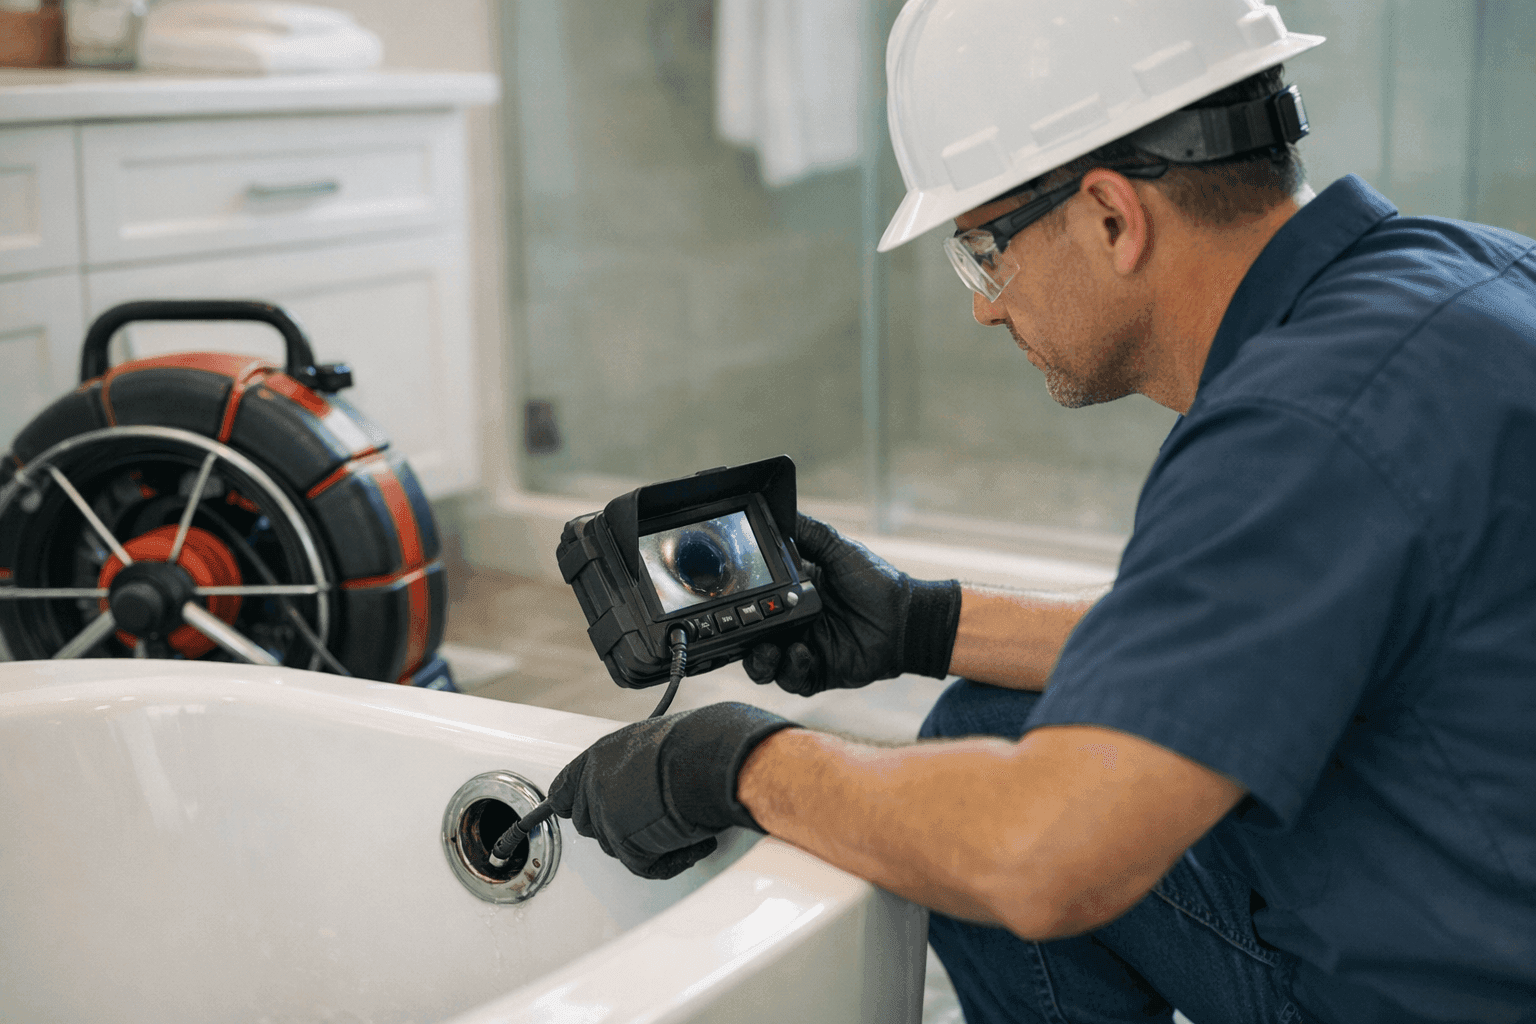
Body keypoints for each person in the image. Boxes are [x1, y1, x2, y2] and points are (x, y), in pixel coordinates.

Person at [545, 2, 1536, 1022]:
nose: (983, 302)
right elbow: (1248, 625)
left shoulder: (1296, 428)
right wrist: (925, 621)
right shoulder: (1469, 279)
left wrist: (741, 764)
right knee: (986, 717)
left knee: (970, 834)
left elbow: (1042, 860)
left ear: (1112, 215)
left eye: (984, 248)